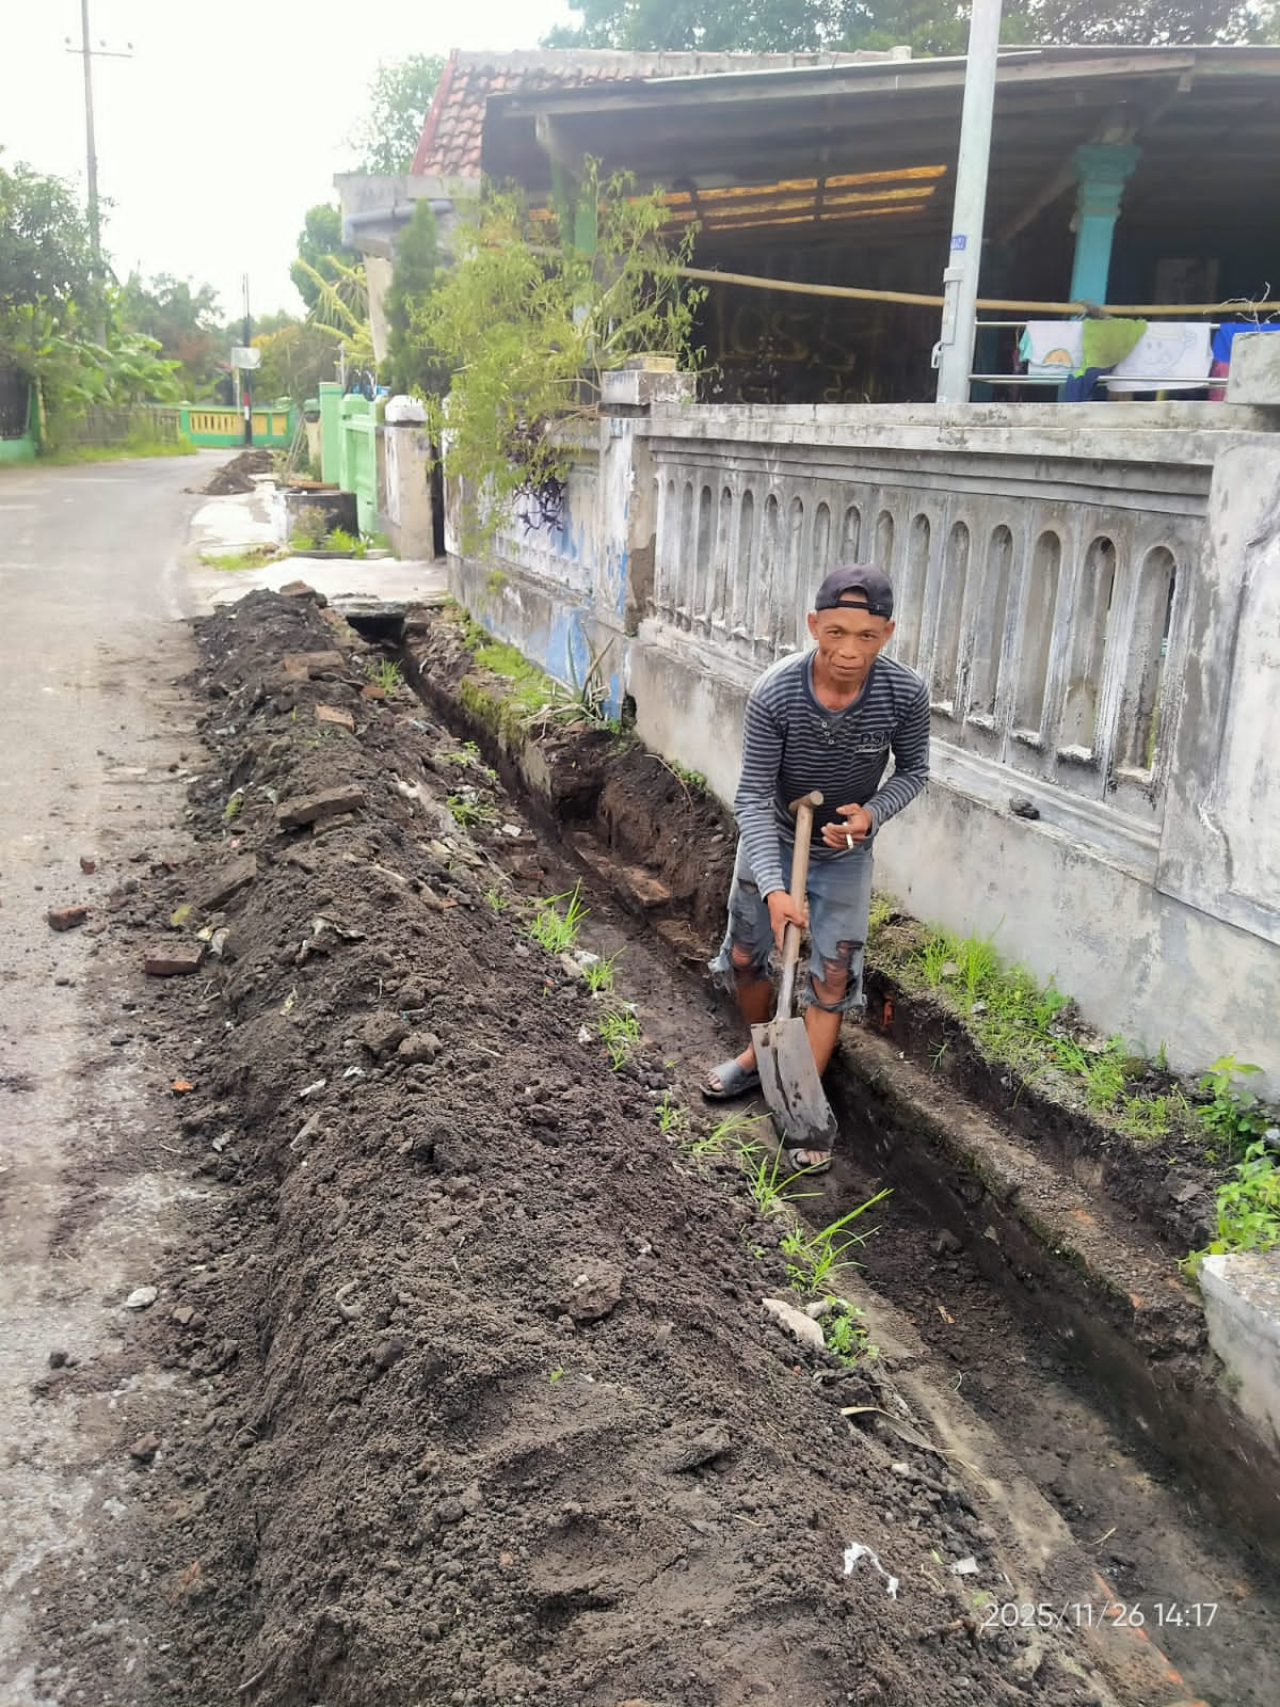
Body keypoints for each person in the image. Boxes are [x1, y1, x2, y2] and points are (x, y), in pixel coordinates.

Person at [704, 563, 930, 1172]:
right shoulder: (776, 693)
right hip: (773, 837)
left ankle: (801, 1098)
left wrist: (872, 814)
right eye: (834, 633)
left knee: (831, 977)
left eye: (865, 636)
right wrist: (775, 890)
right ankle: (760, 1059)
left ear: (887, 633)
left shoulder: (905, 695)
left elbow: (914, 772)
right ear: (813, 626)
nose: (848, 651)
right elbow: (751, 797)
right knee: (749, 955)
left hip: (843, 854)